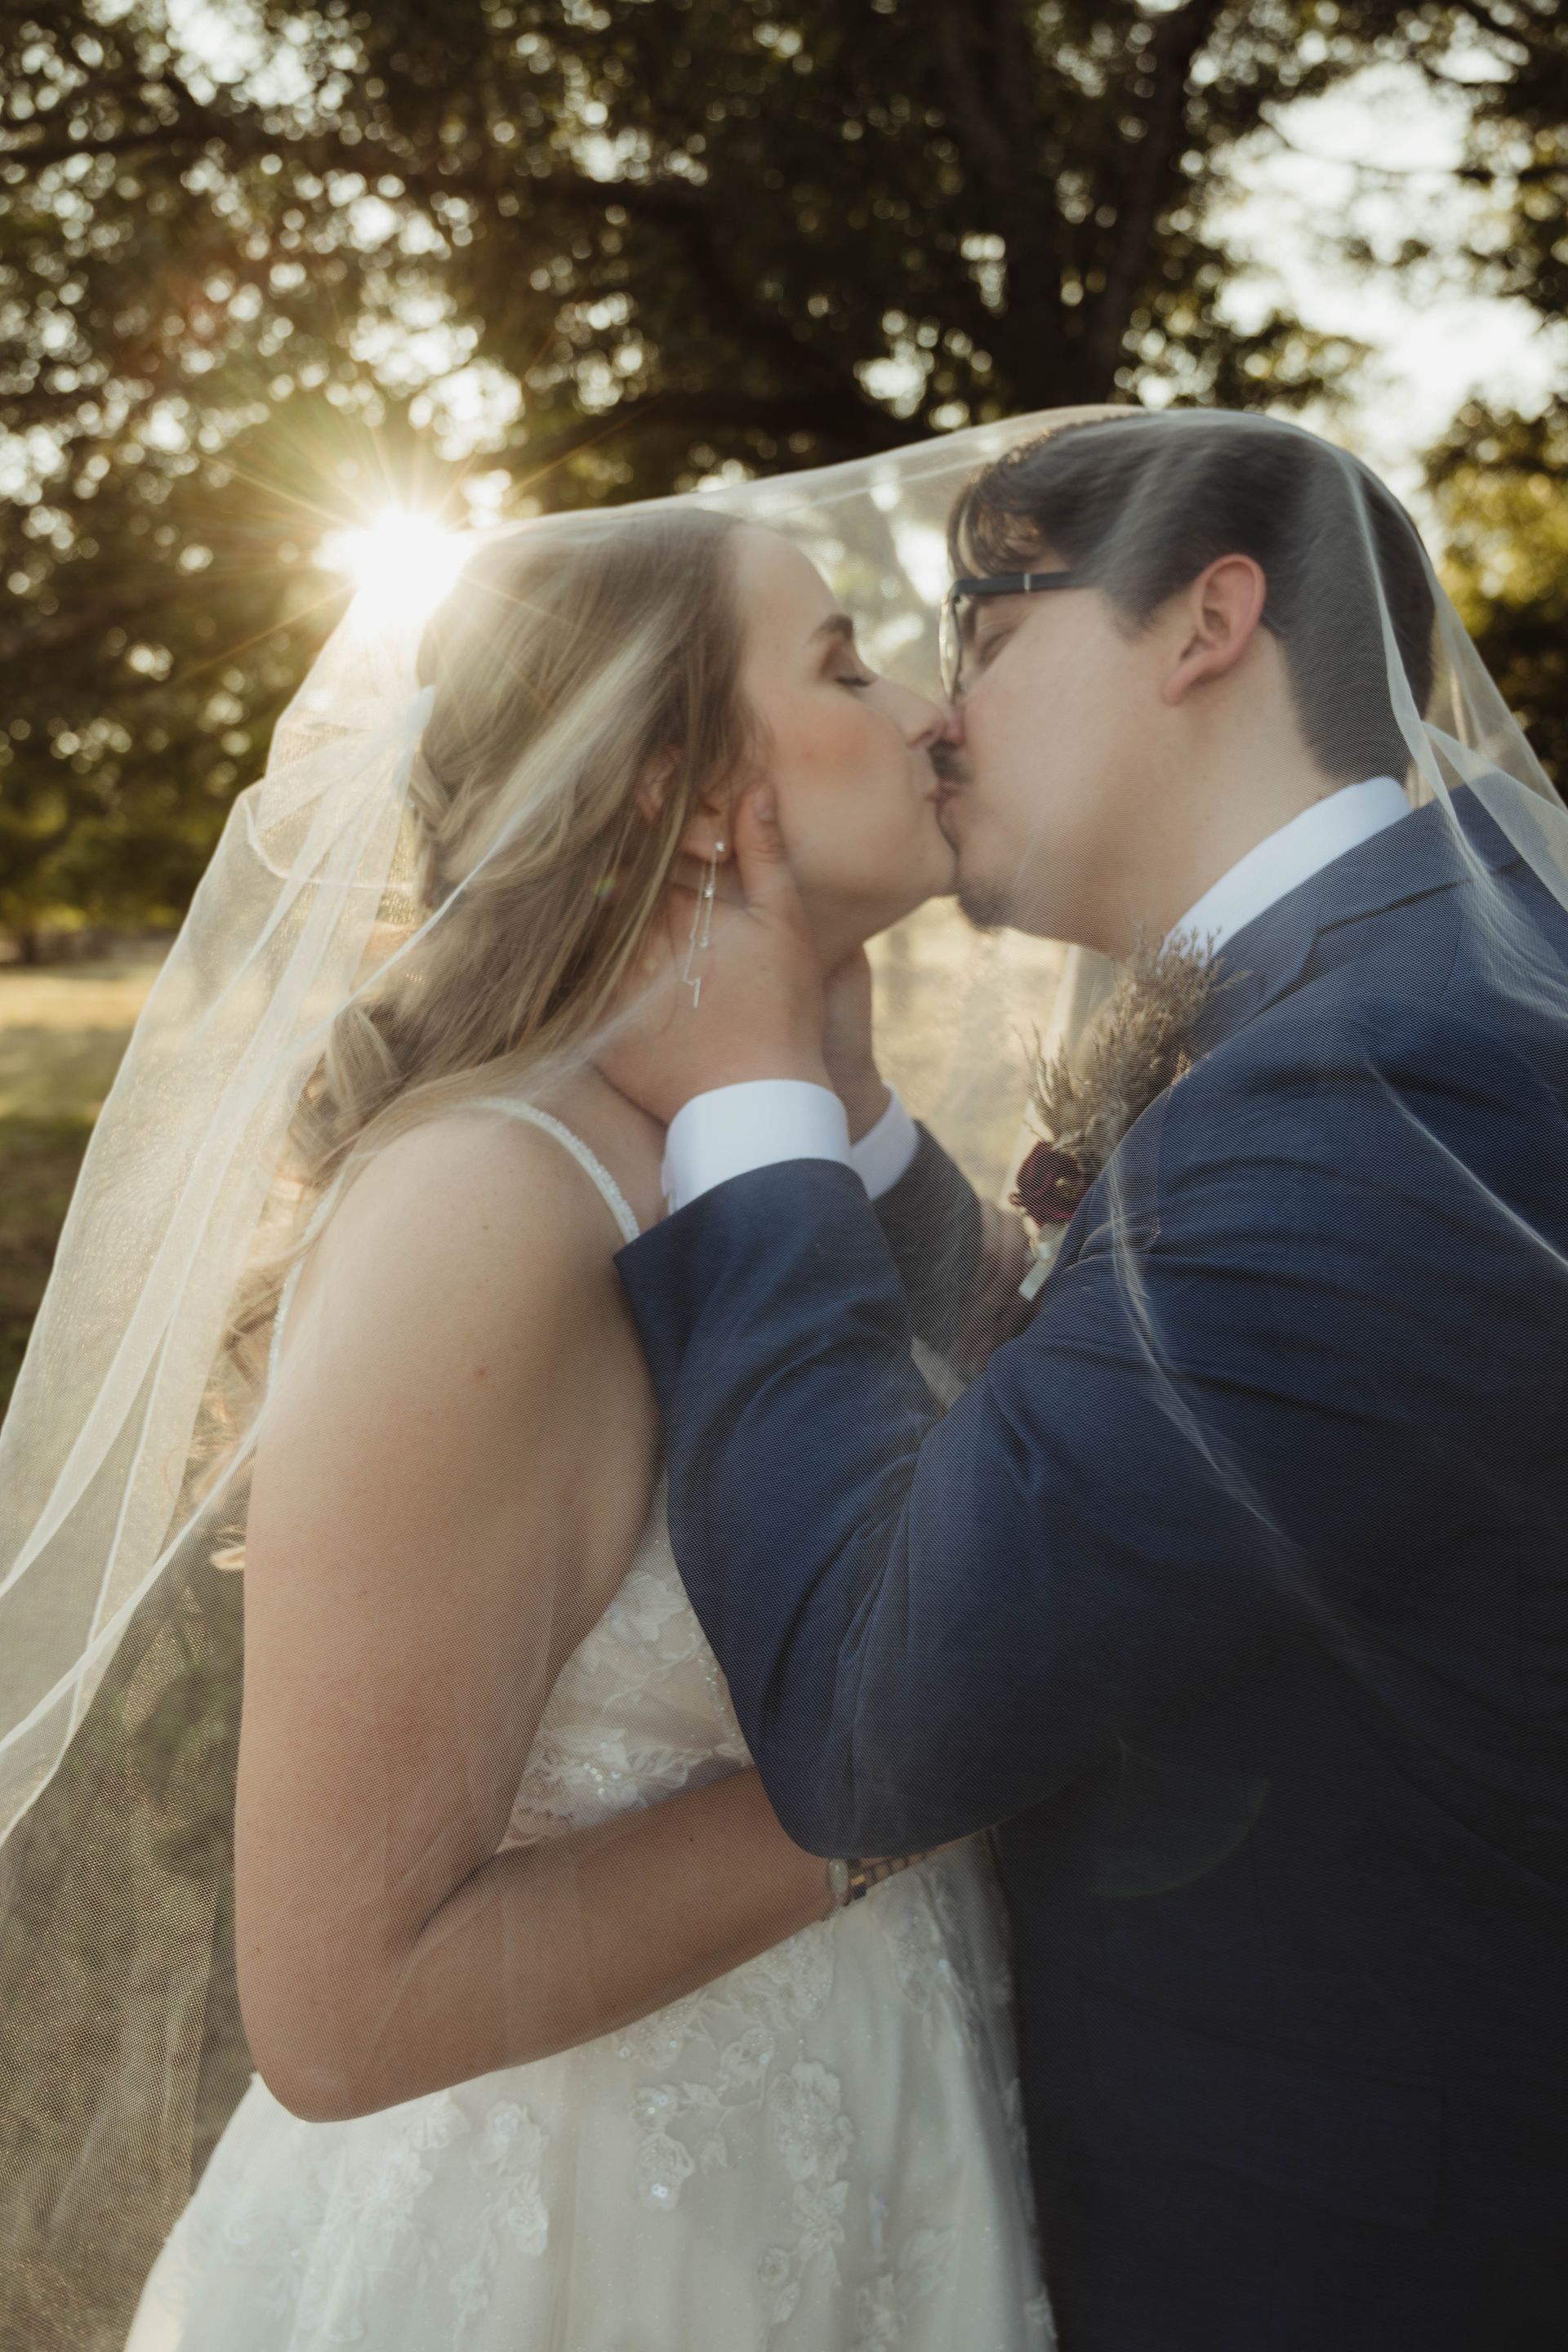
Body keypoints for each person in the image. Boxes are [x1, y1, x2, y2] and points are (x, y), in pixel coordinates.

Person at [8, 508, 1049, 2350]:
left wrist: (837, 1084)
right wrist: (929, 1769)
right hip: (591, 2235)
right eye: (842, 662)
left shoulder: (774, 1148)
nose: (930, 715)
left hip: (889, 2138)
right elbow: (341, 2011)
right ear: (684, 794)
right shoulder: (493, 1203)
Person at [607, 412, 1568, 2350]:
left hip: (1330, 2248)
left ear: (1209, 620)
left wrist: (750, 1105)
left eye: (982, 630)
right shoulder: (1380, 977)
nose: (938, 722)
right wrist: (866, 1123)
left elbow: (878, 1712)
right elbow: (1140, 1402)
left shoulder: (1380, 1076)